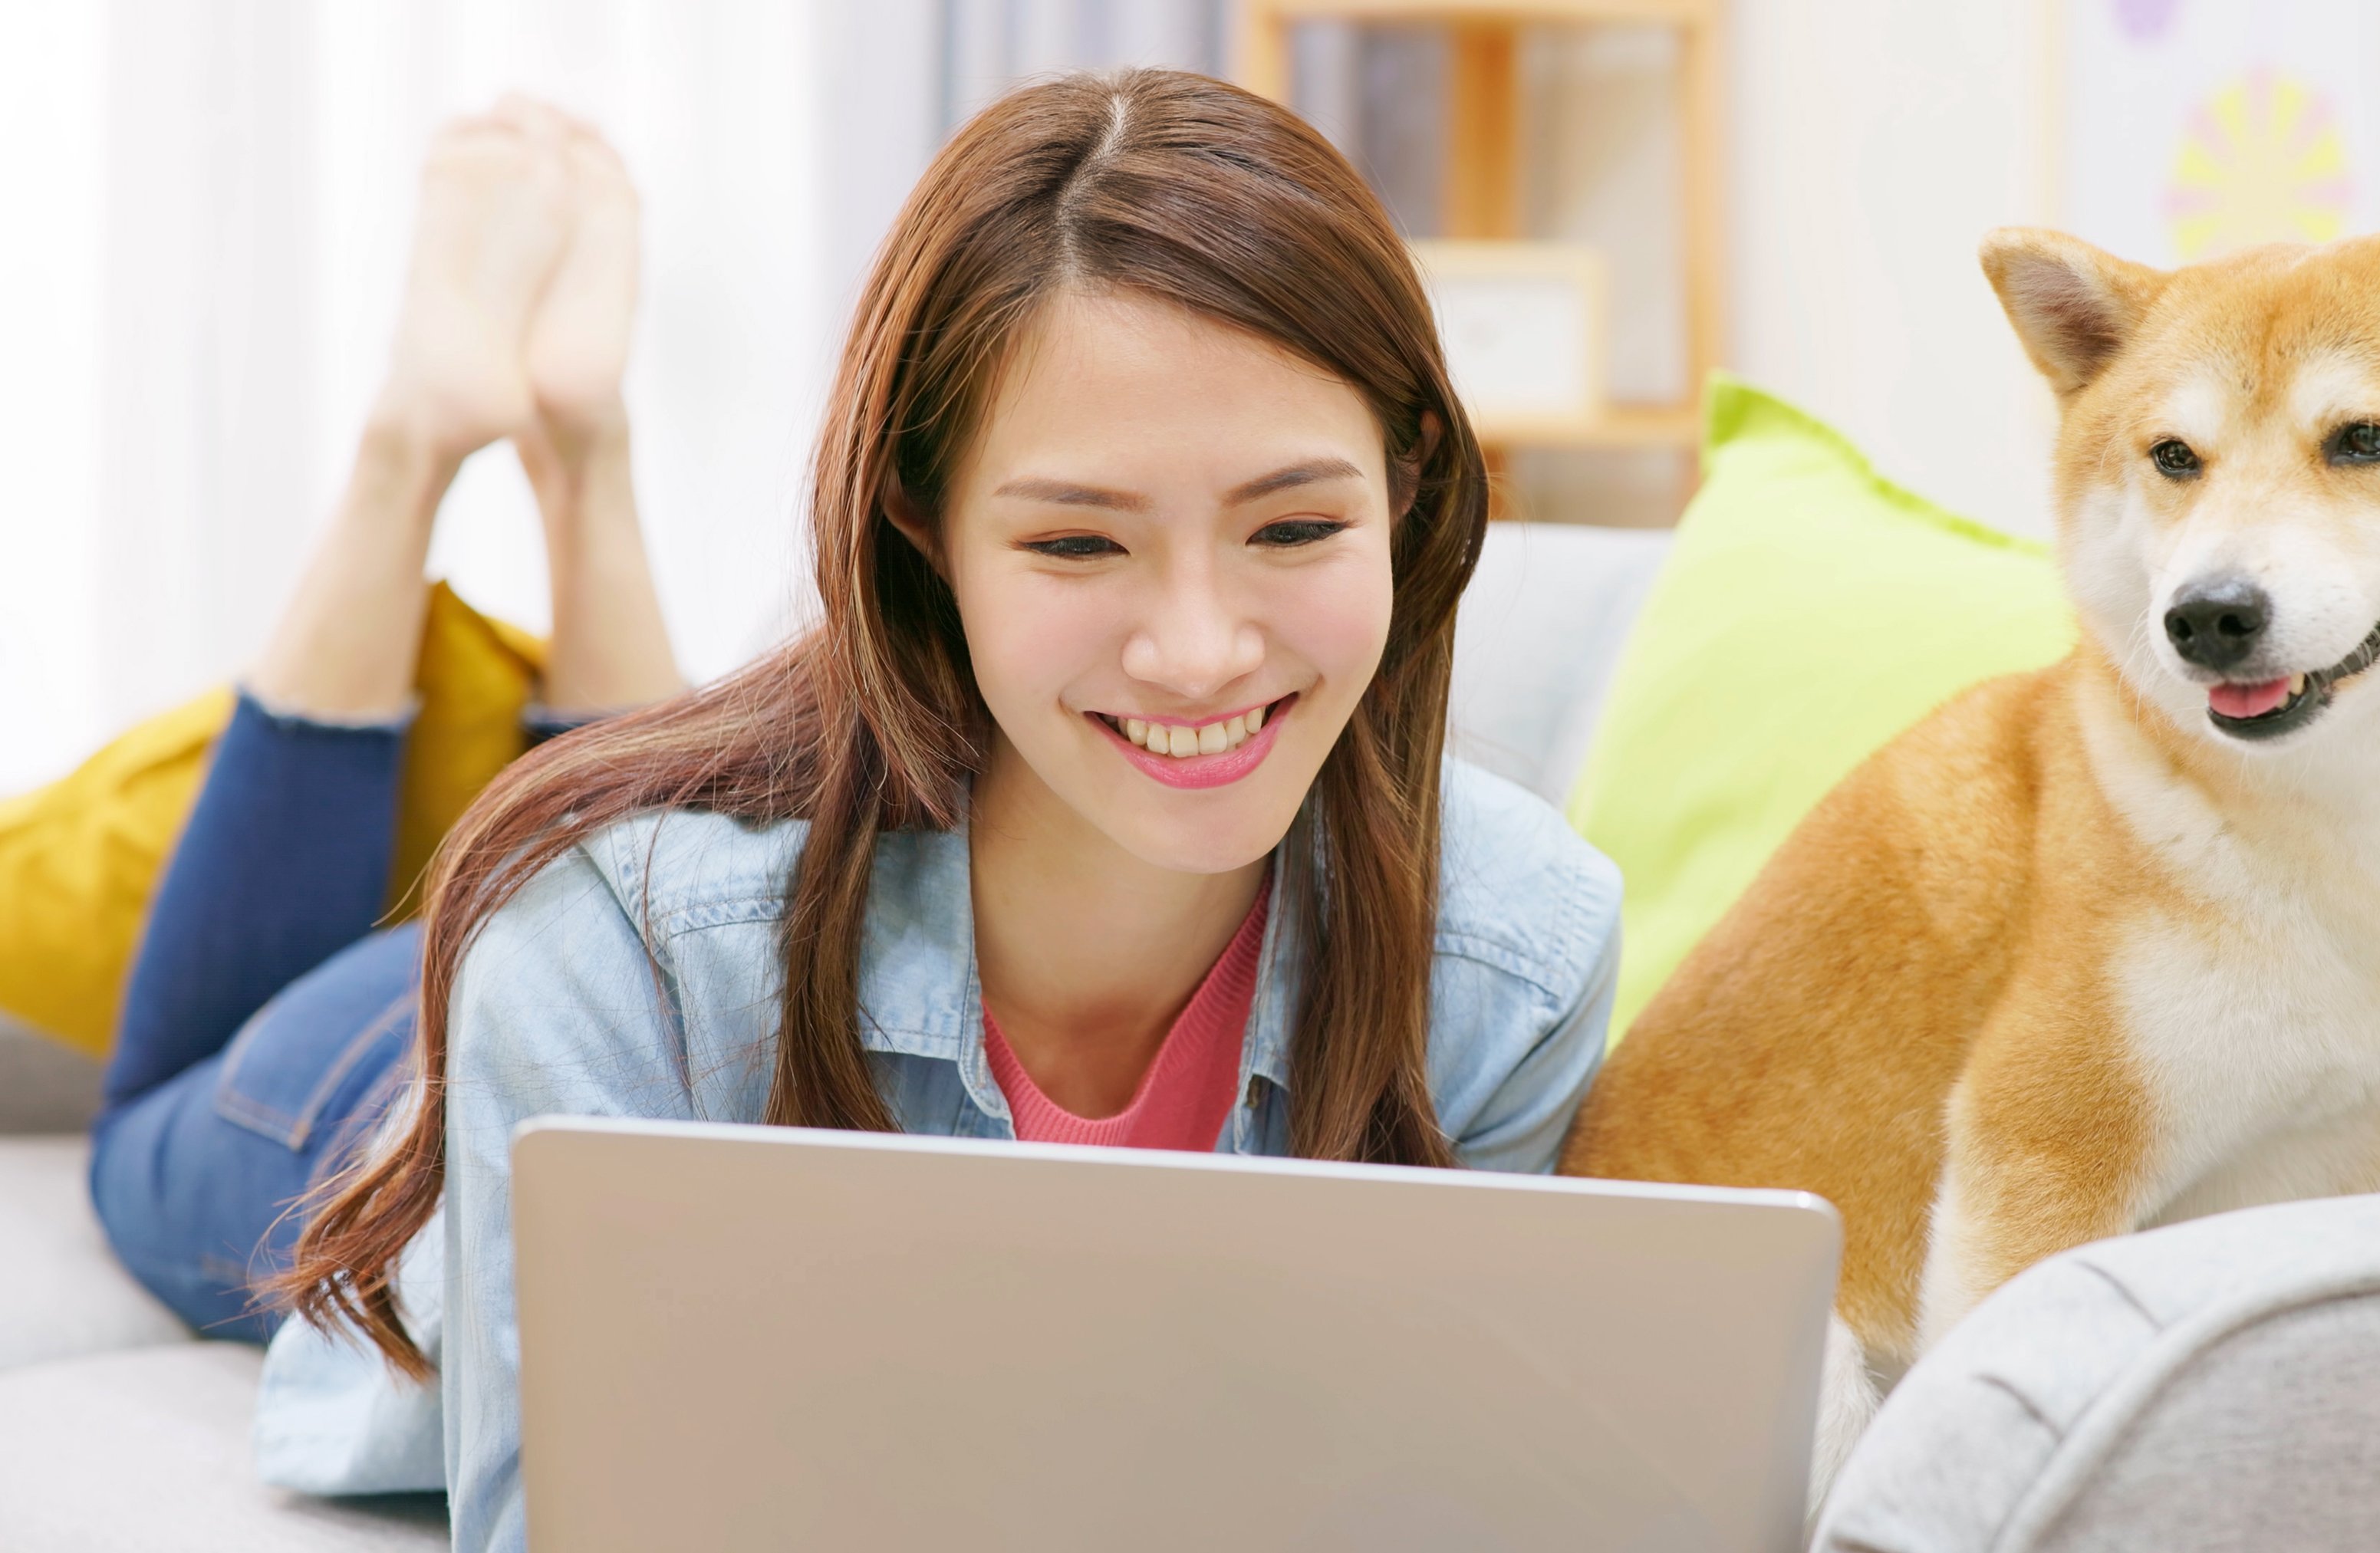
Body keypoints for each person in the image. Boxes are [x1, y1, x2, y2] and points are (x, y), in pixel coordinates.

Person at [272, 69, 1622, 1549]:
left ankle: (583, 462)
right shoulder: (609, 955)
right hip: (346, 1108)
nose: (1198, 651)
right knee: (191, 1070)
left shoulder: (1515, 959)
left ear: (1412, 485)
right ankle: (425, 445)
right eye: (1077, 542)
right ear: (923, 524)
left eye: (1294, 526)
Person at [89, 99, 680, 1339]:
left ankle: (521, 447)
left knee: (149, 1115)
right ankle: (500, 444)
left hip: (442, 1028)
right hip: (498, 1030)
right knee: (142, 1115)